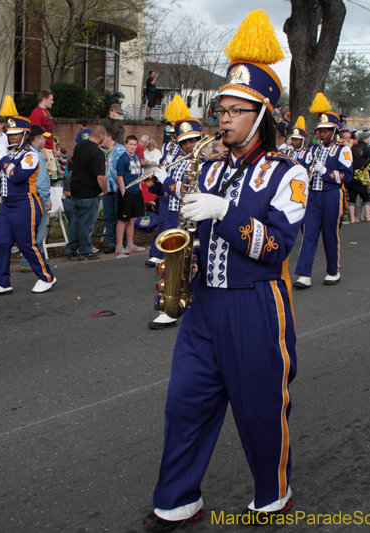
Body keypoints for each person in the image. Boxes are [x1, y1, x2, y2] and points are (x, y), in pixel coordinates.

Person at [143, 11, 308, 530]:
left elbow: (277, 246)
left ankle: (272, 495)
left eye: (238, 110)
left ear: (263, 115)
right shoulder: (208, 164)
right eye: (222, 108)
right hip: (203, 304)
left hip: (256, 304)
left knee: (260, 410)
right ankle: (176, 500)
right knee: (184, 404)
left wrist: (225, 212)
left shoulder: (288, 172)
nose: (225, 118)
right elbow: (185, 230)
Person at [144, 97, 202, 330]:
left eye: (193, 141)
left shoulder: (205, 162)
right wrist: (154, 182)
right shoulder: (176, 158)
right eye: (185, 142)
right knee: (171, 266)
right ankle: (168, 308)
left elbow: (188, 192)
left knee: (194, 267)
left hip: (194, 219)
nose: (189, 146)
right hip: (174, 215)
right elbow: (166, 188)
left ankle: (193, 308)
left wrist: (165, 180)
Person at [0, 117, 56, 295]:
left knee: (26, 244)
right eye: (10, 134)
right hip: (8, 204)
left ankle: (46, 276)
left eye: (16, 134)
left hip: (25, 203)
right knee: (2, 242)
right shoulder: (9, 154)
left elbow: (16, 177)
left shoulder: (31, 155)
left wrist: (2, 156)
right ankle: (2, 281)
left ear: (25, 134)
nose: (12, 137)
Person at [292, 93, 352, 289]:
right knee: (309, 233)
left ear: (334, 131)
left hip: (332, 195)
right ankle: (304, 274)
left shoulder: (343, 150)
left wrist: (325, 172)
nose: (322, 134)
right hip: (313, 196)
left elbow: (346, 176)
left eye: (326, 131)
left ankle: (333, 271)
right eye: (320, 131)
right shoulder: (312, 150)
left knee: (330, 234)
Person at [66, 124, 107, 260]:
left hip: (75, 189)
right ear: (101, 135)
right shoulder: (97, 153)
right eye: (104, 136)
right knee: (86, 223)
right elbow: (100, 176)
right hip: (90, 191)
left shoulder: (79, 146)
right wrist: (104, 189)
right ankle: (84, 250)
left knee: (75, 222)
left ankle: (71, 248)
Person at [19, 126, 52, 273]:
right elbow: (41, 181)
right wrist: (46, 198)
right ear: (36, 139)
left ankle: (27, 260)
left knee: (30, 229)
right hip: (37, 196)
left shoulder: (26, 152)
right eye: (43, 137)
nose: (45, 140)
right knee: (38, 231)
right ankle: (29, 261)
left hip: (27, 195)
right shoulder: (37, 156)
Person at [115, 135, 145, 255]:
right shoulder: (122, 159)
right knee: (123, 219)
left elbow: (139, 176)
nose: (132, 146)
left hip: (136, 191)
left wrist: (140, 189)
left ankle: (130, 244)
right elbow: (120, 177)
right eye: (130, 144)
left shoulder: (137, 157)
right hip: (127, 191)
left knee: (132, 219)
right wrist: (124, 193)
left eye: (134, 144)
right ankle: (119, 246)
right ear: (126, 144)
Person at [100, 128, 124, 254]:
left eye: (102, 137)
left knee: (120, 216)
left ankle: (122, 241)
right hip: (106, 189)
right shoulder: (102, 151)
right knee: (108, 217)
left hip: (118, 189)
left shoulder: (120, 150)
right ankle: (111, 242)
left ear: (108, 137)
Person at [29, 89, 59, 178]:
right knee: (42, 175)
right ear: (44, 99)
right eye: (51, 99)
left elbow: (50, 132)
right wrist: (42, 151)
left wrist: (54, 147)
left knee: (54, 174)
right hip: (43, 147)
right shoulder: (36, 113)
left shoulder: (47, 112)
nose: (52, 102)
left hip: (49, 146)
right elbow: (35, 134)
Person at [348, 143, 370, 223]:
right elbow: (366, 173)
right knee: (366, 199)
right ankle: (367, 216)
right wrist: (369, 184)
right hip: (361, 183)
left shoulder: (350, 162)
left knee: (352, 200)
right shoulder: (363, 161)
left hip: (351, 183)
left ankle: (352, 218)